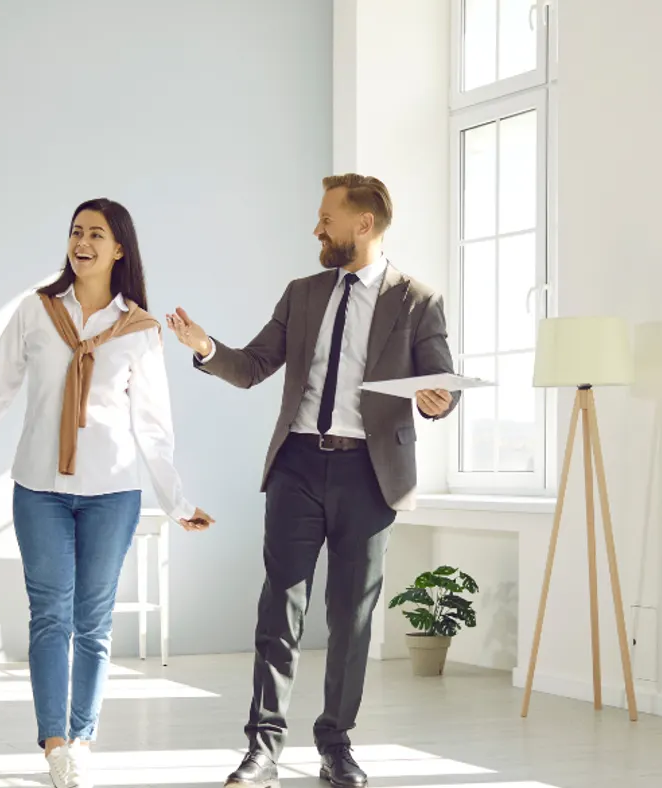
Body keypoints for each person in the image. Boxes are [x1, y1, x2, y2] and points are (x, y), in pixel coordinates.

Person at [0, 198, 214, 788]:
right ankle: (55, 744)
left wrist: (177, 503)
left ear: (119, 248)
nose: (82, 242)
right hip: (39, 489)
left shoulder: (141, 330)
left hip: (112, 493)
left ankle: (83, 739)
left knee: (92, 623)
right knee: (49, 618)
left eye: (96, 233)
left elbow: (153, 427)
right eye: (75, 232)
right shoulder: (36, 312)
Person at [165, 174, 459, 788]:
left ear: (364, 224)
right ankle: (262, 748)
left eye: (327, 217)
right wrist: (204, 346)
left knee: (351, 615)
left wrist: (435, 403)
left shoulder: (417, 301)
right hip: (298, 462)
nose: (316, 228)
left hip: (370, 472)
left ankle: (335, 745)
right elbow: (252, 367)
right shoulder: (302, 294)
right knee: (280, 606)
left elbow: (439, 386)